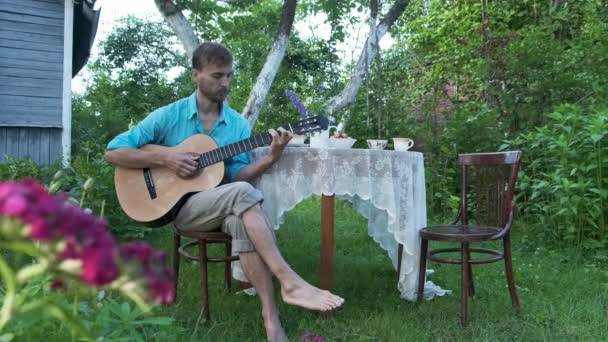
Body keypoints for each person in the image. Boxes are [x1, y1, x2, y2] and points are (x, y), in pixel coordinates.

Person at [104, 42, 344, 342]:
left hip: (221, 205)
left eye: (229, 76)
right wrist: (166, 158)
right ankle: (289, 281)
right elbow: (114, 152)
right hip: (180, 209)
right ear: (196, 74)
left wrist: (270, 157)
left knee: (242, 215)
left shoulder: (237, 125)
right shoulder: (169, 115)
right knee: (242, 193)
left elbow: (235, 175)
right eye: (218, 75)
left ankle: (271, 321)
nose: (225, 83)